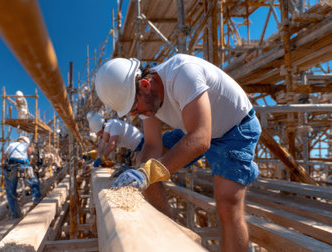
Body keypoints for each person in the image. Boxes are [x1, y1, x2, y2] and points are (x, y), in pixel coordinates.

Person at [95, 54, 261, 251]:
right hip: (196, 127)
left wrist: (147, 173)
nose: (137, 115)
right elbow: (152, 145)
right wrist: (140, 170)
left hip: (234, 129)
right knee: (143, 159)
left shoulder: (183, 73)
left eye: (135, 108)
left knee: (227, 202)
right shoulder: (147, 100)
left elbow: (200, 138)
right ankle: (169, 230)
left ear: (145, 86)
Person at [3, 136, 42, 219]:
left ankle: (15, 214)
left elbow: (5, 156)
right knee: (33, 182)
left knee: (10, 192)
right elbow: (30, 152)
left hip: (11, 167)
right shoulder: (25, 145)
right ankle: (36, 199)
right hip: (22, 165)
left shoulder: (11, 144)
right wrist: (31, 147)